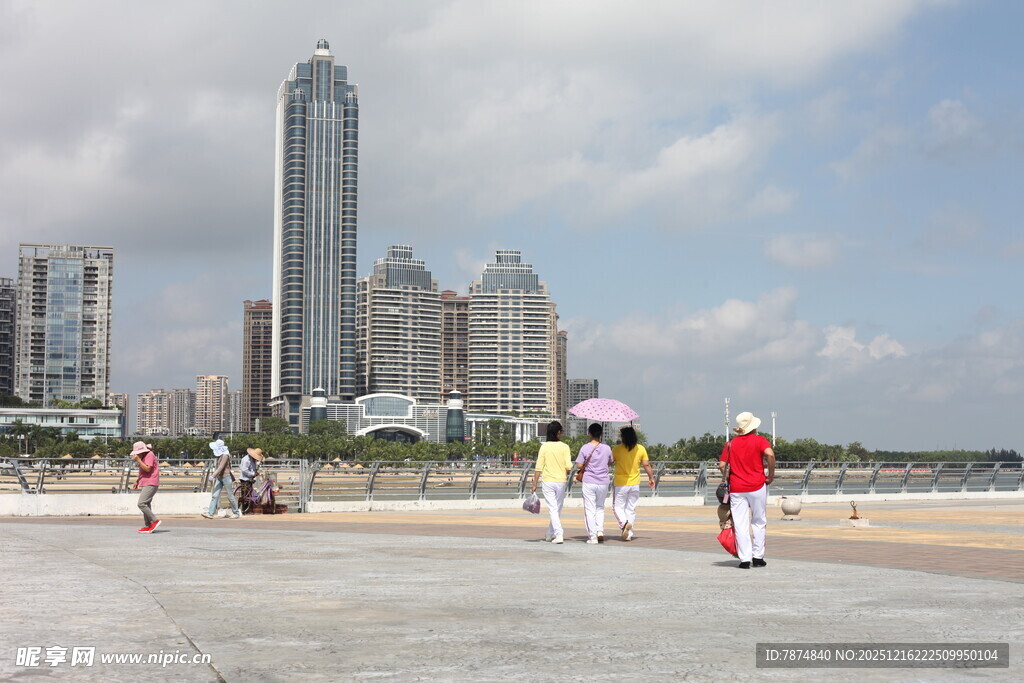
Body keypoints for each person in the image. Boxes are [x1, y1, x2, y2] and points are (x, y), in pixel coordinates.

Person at [719, 411, 776, 569]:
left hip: (737, 488)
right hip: (757, 486)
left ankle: (744, 559)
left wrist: (729, 477)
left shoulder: (731, 444)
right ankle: (758, 557)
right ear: (754, 427)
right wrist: (770, 475)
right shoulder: (760, 440)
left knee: (741, 523)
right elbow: (770, 455)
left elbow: (722, 465)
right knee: (759, 521)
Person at [530, 421, 572, 544]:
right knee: (557, 508)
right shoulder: (565, 447)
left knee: (554, 509)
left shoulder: (544, 447)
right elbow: (568, 467)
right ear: (558, 432)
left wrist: (534, 485)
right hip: (561, 481)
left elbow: (539, 467)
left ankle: (557, 534)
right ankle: (551, 533)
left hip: (548, 481)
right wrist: (565, 472)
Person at [612, 426, 654, 541]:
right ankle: (628, 534)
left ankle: (624, 524)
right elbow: (646, 464)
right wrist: (651, 478)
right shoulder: (640, 449)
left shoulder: (617, 449)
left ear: (623, 437)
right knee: (631, 508)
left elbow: (609, 462)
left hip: (621, 483)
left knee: (617, 507)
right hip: (635, 483)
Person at [576, 423, 614, 544]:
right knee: (600, 507)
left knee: (589, 508)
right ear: (601, 433)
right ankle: (600, 531)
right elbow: (611, 461)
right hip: (603, 481)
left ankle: (592, 536)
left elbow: (579, 465)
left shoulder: (585, 448)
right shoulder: (607, 448)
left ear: (589, 433)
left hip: (589, 481)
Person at [203, 439, 240, 519]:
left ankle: (236, 512)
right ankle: (210, 513)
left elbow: (221, 467)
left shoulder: (225, 455)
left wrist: (213, 475)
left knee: (230, 496)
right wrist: (215, 476)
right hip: (219, 478)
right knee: (215, 495)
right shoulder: (219, 456)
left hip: (226, 477)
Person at [131, 441, 161, 533]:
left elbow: (148, 469)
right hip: (146, 482)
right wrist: (137, 481)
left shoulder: (149, 455)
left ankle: (155, 521)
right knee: (146, 504)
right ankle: (148, 525)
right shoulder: (144, 456)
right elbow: (143, 471)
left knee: (141, 503)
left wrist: (138, 460)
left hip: (151, 482)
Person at [237, 447, 264, 514]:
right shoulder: (247, 460)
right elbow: (244, 470)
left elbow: (252, 469)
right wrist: (252, 474)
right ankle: (244, 510)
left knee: (249, 495)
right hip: (245, 479)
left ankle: (247, 510)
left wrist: (255, 473)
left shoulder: (252, 460)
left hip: (249, 479)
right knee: (246, 496)